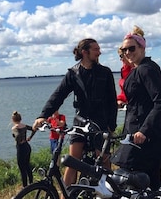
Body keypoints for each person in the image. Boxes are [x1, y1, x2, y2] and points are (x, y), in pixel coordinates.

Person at [32, 38, 118, 193]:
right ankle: (66, 195)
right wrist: (43, 115)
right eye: (96, 49)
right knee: (72, 161)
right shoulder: (73, 73)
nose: (100, 52)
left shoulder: (105, 72)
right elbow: (58, 95)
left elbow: (112, 101)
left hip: (100, 121)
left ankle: (108, 193)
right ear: (85, 52)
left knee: (104, 161)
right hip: (80, 120)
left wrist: (111, 126)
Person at [112, 26, 161, 193]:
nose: (127, 52)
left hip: (147, 135)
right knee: (143, 181)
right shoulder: (139, 69)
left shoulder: (146, 69)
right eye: (124, 50)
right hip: (141, 132)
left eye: (132, 48)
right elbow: (141, 100)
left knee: (144, 180)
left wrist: (144, 131)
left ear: (142, 48)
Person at [11, 111, 36, 187]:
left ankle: (25, 186)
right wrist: (30, 137)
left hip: (21, 148)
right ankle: (31, 182)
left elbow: (17, 135)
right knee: (27, 165)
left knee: (21, 167)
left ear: (13, 120)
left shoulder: (14, 128)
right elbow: (34, 129)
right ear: (20, 119)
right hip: (27, 146)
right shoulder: (24, 126)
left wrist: (18, 140)